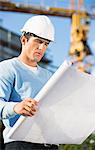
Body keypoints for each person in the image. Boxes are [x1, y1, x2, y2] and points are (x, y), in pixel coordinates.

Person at [0, 15, 58, 150]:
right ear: (24, 40)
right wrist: (16, 107)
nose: (42, 48)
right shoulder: (7, 68)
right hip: (20, 144)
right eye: (38, 41)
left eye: (46, 44)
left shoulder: (50, 76)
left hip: (50, 144)